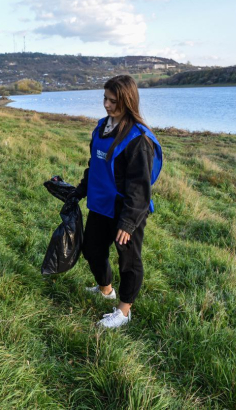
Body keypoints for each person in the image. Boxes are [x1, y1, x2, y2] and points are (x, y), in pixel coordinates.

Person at [69, 75, 163, 328]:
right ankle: (105, 289)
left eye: (113, 101)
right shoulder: (102, 127)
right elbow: (95, 166)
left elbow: (140, 187)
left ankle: (123, 311)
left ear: (128, 101)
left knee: (128, 260)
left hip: (127, 209)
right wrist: (80, 191)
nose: (107, 105)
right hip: (101, 205)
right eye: (105, 99)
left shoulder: (139, 139)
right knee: (92, 250)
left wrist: (129, 222)